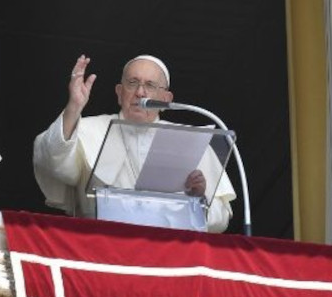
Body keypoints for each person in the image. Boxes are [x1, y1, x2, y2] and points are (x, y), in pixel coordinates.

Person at [33, 54, 236, 232]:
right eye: (133, 83)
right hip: (100, 247)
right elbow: (55, 165)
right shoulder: (87, 129)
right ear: (119, 93)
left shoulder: (190, 141)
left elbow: (221, 219)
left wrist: (198, 201)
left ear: (166, 98)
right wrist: (74, 107)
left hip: (168, 255)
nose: (140, 92)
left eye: (150, 85)